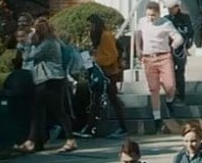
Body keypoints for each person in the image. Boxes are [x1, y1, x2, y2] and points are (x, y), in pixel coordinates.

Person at [17, 17, 77, 154]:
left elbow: (29, 56)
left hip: (50, 80)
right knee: (38, 110)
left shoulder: (48, 43)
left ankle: (70, 139)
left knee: (57, 111)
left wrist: (27, 43)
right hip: (49, 79)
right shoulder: (53, 41)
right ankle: (32, 141)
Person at [133, 1, 185, 128]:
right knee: (154, 88)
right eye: (149, 15)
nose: (150, 18)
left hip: (164, 56)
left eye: (153, 15)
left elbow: (178, 37)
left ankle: (169, 101)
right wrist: (138, 48)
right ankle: (157, 117)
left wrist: (173, 45)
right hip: (148, 57)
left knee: (170, 85)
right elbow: (138, 34)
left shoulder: (165, 23)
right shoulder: (142, 21)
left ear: (159, 13)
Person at [87, 14, 129, 137]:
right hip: (104, 72)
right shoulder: (101, 36)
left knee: (112, 99)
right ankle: (90, 127)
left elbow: (112, 54)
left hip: (110, 72)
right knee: (98, 98)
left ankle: (122, 127)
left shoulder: (106, 36)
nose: (90, 28)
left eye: (91, 25)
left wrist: (96, 59)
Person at [167, 0, 196, 102]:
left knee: (180, 73)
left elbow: (190, 33)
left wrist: (187, 45)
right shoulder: (166, 19)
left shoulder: (185, 18)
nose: (170, 10)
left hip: (181, 50)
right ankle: (171, 94)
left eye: (172, 8)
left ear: (177, 7)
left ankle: (180, 95)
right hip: (168, 50)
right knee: (169, 73)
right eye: (168, 8)